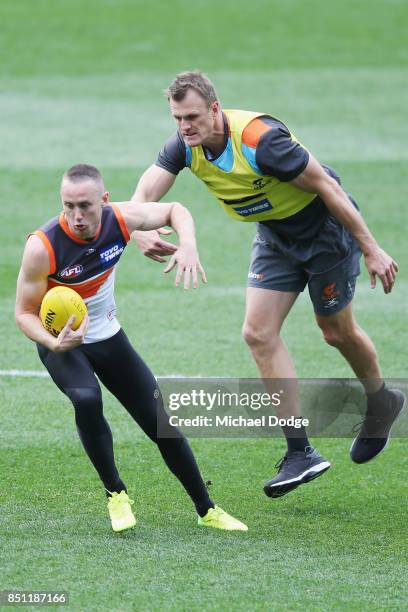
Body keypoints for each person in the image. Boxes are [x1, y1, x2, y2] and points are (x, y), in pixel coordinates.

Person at [131, 71, 405, 499]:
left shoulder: (262, 142)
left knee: (335, 331)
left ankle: (381, 401)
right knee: (257, 333)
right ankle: (301, 451)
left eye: (193, 117)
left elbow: (326, 187)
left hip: (325, 231)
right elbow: (147, 189)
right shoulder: (185, 145)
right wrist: (137, 227)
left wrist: (370, 247)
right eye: (178, 118)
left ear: (215, 109)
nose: (185, 127)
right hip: (275, 236)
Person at [15, 163, 247, 533]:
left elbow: (175, 210)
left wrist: (187, 244)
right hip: (62, 342)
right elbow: (24, 313)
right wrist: (52, 341)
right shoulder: (42, 246)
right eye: (68, 205)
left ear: (104, 201)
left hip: (107, 334)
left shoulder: (119, 220)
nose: (76, 216)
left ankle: (207, 509)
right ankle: (116, 493)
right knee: (87, 399)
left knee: (160, 422)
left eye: (85, 206)